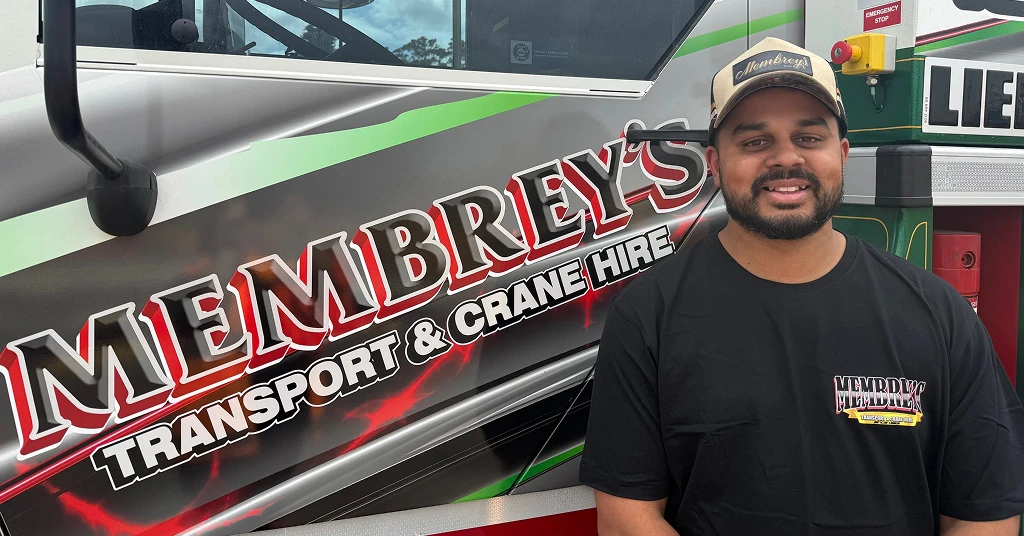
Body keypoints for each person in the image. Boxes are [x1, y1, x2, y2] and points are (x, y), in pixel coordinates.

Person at [578, 36, 1024, 535]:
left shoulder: (939, 314)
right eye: (754, 141)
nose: (785, 159)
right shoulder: (648, 317)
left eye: (809, 137)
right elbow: (626, 519)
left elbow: (985, 516)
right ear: (714, 163)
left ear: (843, 153)